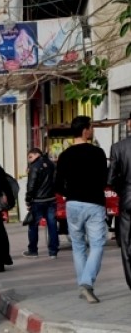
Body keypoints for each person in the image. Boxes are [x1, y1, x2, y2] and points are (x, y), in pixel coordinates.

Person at [55, 115, 107, 303]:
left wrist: (71, 192)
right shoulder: (98, 153)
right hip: (94, 203)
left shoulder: (65, 155)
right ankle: (86, 283)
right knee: (97, 244)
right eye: (91, 127)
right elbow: (104, 180)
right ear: (85, 130)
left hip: (73, 204)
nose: (92, 130)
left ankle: (83, 284)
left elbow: (58, 185)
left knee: (78, 246)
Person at [23, 147, 59, 258]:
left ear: (36, 154)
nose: (29, 160)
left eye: (30, 157)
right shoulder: (52, 164)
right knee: (52, 225)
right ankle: (53, 251)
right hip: (51, 199)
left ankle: (33, 250)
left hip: (37, 201)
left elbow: (31, 186)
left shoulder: (34, 166)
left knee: (33, 225)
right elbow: (56, 181)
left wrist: (28, 200)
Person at [108, 131, 131, 289]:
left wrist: (122, 191)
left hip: (128, 199)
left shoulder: (118, 147)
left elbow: (111, 179)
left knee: (126, 242)